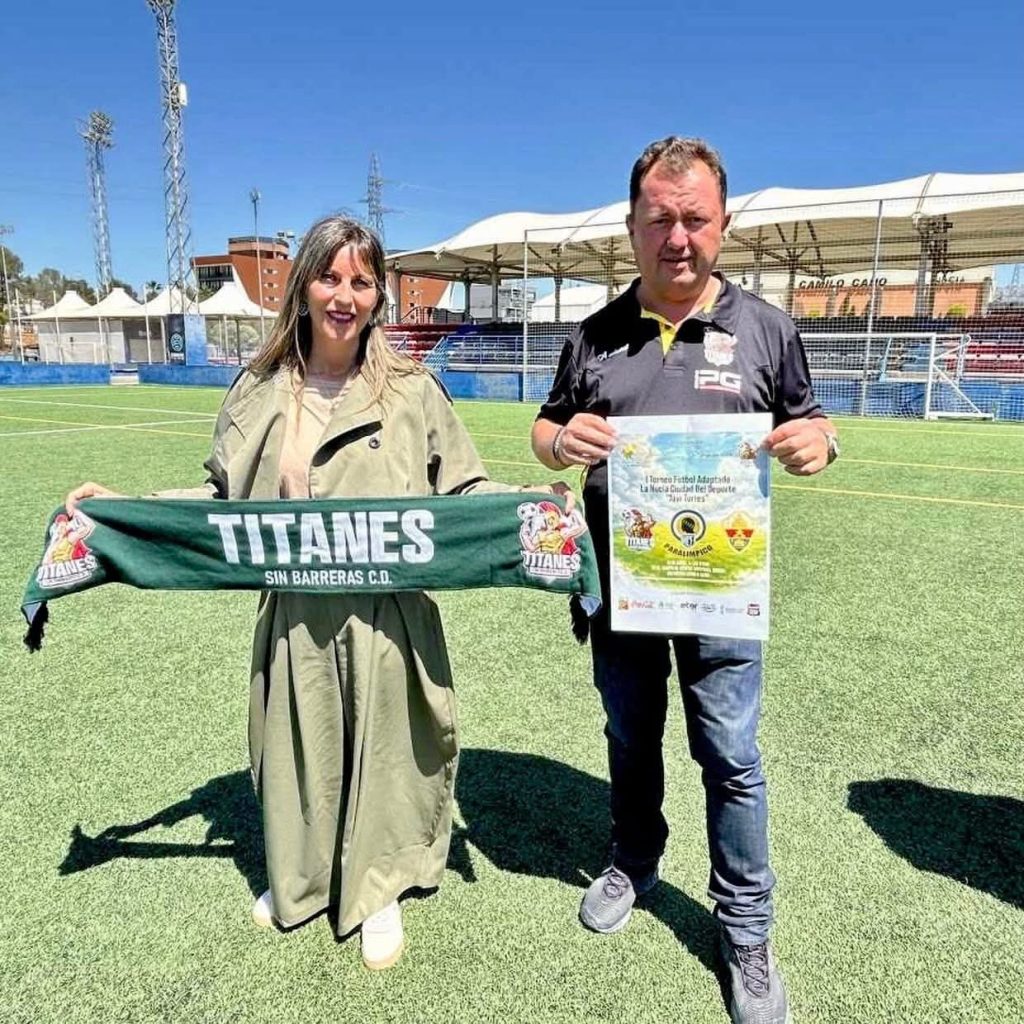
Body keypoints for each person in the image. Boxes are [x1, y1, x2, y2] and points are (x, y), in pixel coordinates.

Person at [67, 215, 570, 971]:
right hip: (295, 613)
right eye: (330, 277)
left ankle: (379, 890)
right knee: (300, 753)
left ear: (377, 296)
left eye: (361, 282)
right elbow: (219, 502)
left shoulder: (411, 389)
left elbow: (465, 490)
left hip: (388, 614)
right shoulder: (257, 389)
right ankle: (300, 881)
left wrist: (531, 502)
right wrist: (121, 507)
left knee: (389, 753)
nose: (345, 295)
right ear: (302, 287)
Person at [531, 137, 839, 1024]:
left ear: (722, 224)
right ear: (631, 225)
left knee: (732, 758)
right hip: (621, 586)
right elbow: (547, 432)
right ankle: (634, 857)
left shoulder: (767, 330)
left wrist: (821, 440)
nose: (677, 237)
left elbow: (809, 419)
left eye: (694, 218)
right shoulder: (593, 335)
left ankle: (746, 930)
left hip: (721, 589)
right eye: (658, 219)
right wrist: (564, 441)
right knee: (630, 739)